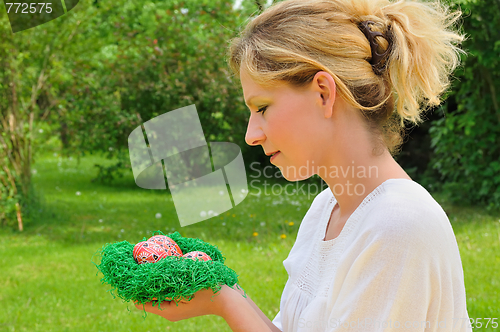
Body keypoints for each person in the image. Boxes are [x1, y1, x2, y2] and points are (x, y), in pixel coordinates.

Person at [136, 0, 472, 331]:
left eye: (263, 107)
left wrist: (225, 302)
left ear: (323, 93)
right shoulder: (325, 210)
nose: (251, 135)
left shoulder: (399, 226)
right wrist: (225, 295)